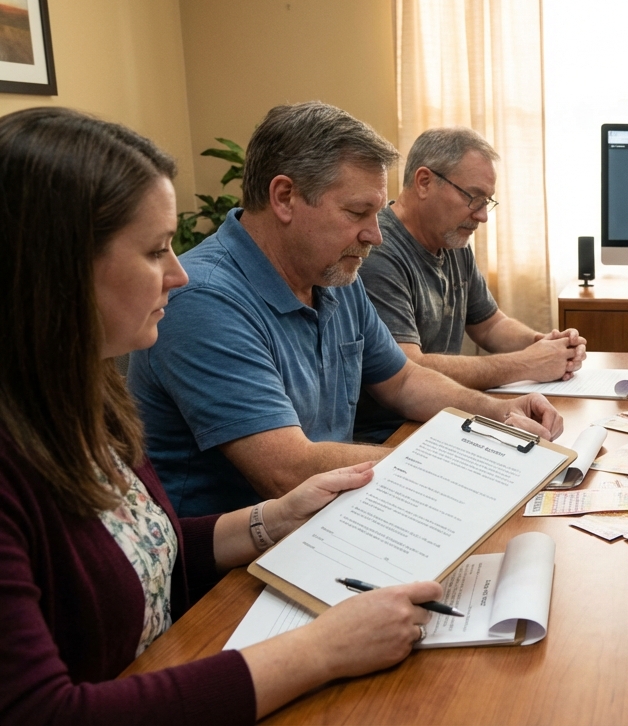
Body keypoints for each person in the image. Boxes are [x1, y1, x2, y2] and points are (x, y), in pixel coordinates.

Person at [0, 107, 444, 723]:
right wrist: (322, 649)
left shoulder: (85, 400)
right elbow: (42, 711)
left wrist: (272, 520)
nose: (179, 274)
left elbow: (145, 555)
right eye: (155, 251)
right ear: (57, 270)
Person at [128, 102, 562, 518]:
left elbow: (404, 380)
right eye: (358, 212)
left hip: (331, 513)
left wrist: (498, 414)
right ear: (284, 197)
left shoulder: (333, 273)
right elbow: (287, 470)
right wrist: (462, 456)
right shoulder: (205, 299)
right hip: (239, 555)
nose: (376, 234)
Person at [354, 127, 587, 442]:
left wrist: (542, 344)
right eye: (473, 198)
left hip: (444, 417)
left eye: (486, 201)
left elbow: (490, 325)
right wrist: (527, 363)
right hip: (394, 430)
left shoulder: (452, 239)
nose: (482, 216)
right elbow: (409, 366)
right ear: (424, 182)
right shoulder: (378, 251)